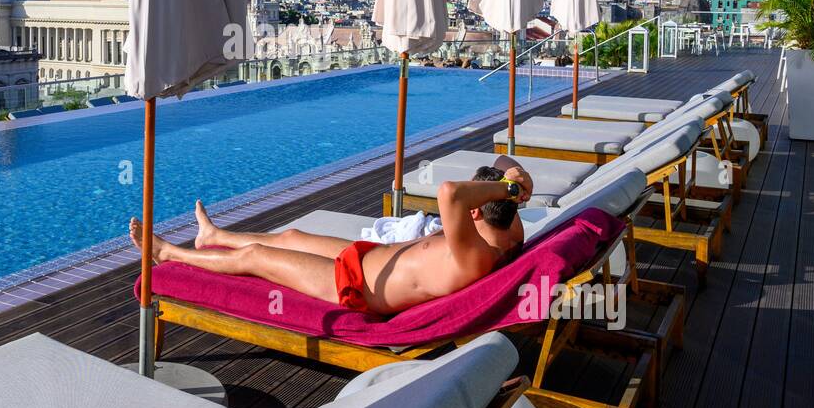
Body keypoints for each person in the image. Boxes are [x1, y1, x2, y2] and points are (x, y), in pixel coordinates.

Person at [129, 164, 533, 316]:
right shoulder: (508, 230)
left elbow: (448, 192)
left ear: (476, 210)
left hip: (353, 286)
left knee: (255, 256)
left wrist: (503, 189)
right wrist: (513, 182)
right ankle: (214, 235)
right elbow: (503, 166)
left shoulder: (474, 253)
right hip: (368, 257)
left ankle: (166, 252)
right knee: (290, 236)